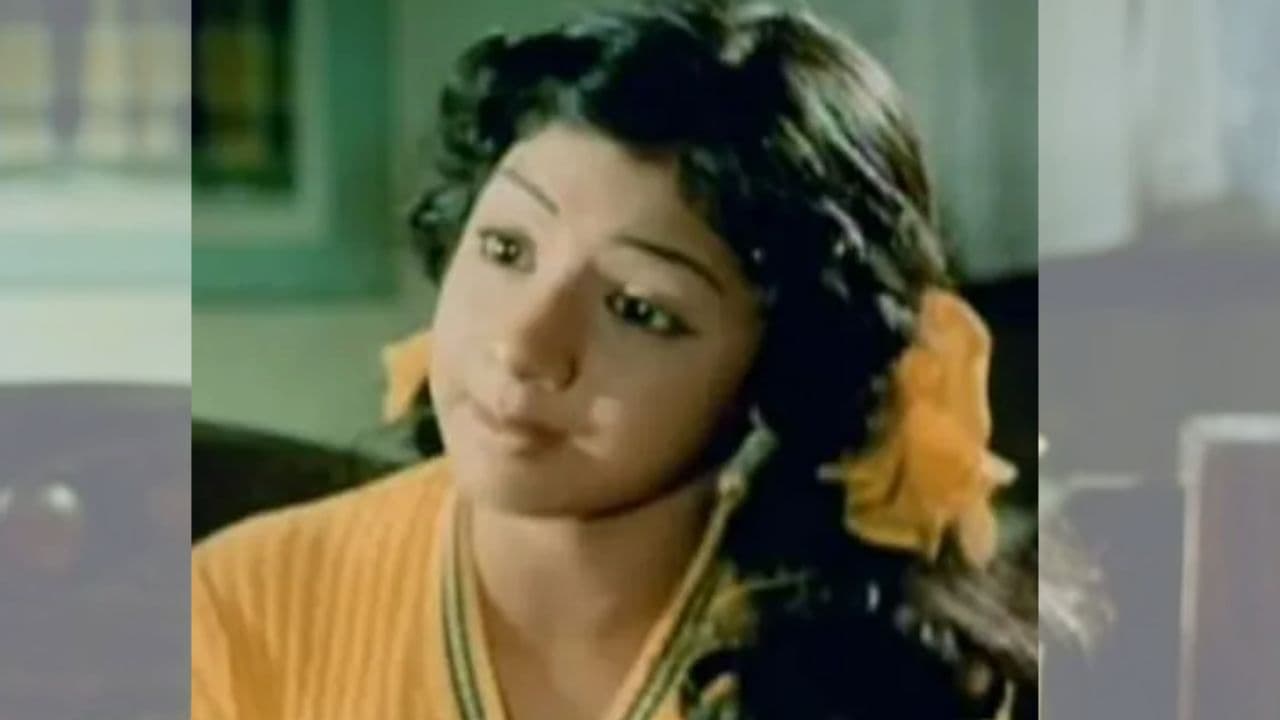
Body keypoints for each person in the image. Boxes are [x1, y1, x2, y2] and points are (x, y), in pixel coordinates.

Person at [191, 1, 1037, 718]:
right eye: (506, 249)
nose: (523, 345)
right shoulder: (239, 606)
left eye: (639, 309)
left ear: (780, 371)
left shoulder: (882, 669)